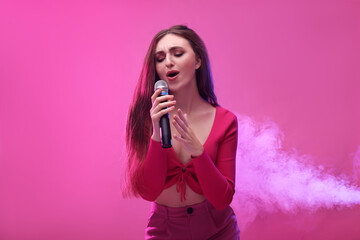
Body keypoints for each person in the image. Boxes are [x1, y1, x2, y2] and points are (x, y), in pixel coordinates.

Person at [125, 25, 240, 239]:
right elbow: (149, 191)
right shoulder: (147, 116)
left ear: (197, 61)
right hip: (165, 231)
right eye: (160, 58)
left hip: (218, 230)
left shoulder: (226, 121)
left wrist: (198, 151)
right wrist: (157, 134)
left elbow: (222, 199)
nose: (168, 61)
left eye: (178, 53)